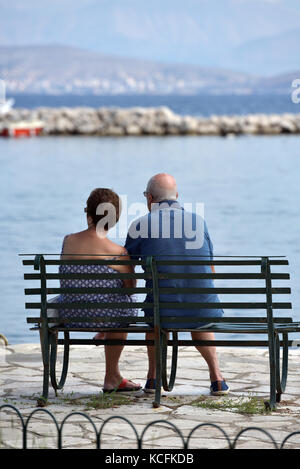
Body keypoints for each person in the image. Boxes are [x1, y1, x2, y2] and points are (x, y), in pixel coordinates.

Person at [125, 173, 229, 396]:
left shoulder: (140, 225)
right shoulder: (198, 222)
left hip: (162, 311)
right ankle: (217, 378)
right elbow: (210, 268)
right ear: (177, 196)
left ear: (150, 198)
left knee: (156, 312)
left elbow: (127, 267)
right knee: (199, 304)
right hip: (202, 310)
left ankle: (153, 378)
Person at [58, 188, 141, 393]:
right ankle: (111, 376)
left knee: (108, 302)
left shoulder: (68, 241)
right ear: (114, 219)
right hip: (107, 316)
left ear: (88, 212)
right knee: (124, 304)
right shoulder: (119, 253)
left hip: (71, 314)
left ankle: (104, 332)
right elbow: (130, 289)